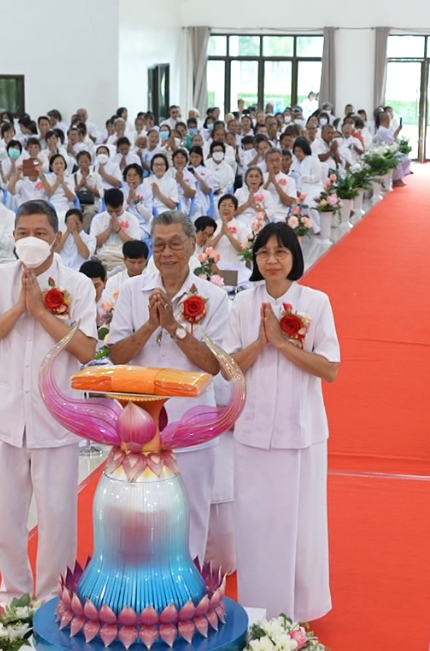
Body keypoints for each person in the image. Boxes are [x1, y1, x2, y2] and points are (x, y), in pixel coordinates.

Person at [0, 199, 98, 603]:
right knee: (6, 520)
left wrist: (41, 312)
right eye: (23, 233)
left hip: (56, 418)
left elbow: (86, 350)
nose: (31, 240)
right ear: (12, 237)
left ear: (57, 238)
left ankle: (53, 601)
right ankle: (13, 600)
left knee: (57, 520)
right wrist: (20, 308)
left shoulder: (77, 285)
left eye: (40, 233)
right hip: (6, 417)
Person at [227, 221, 339, 622]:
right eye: (263, 253)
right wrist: (261, 342)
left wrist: (281, 344)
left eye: (281, 252)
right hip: (253, 431)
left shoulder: (315, 302)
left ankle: (302, 608)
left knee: (301, 523)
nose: (271, 261)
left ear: (295, 256)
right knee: (256, 524)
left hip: (301, 430)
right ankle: (257, 610)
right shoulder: (241, 303)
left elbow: (329, 369)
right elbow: (228, 368)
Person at [106, 210, 232, 563]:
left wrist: (174, 327)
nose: (166, 253)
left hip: (191, 420)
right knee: (140, 511)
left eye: (175, 243)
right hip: (140, 422)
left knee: (192, 513)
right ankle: (144, 588)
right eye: (158, 244)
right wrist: (150, 325)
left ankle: (187, 591)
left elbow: (212, 364)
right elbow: (117, 355)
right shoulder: (132, 291)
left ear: (193, 245)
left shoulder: (213, 297)